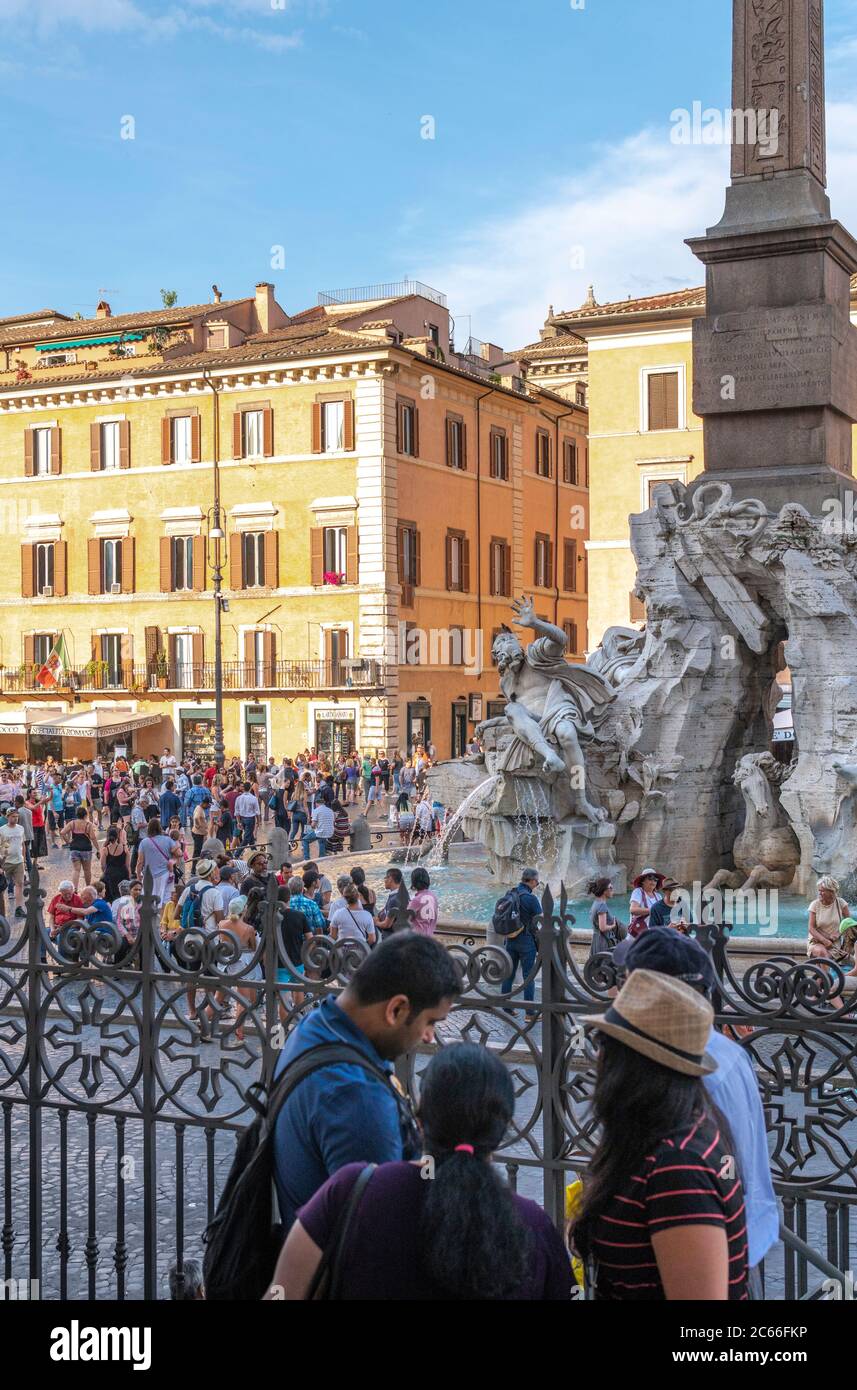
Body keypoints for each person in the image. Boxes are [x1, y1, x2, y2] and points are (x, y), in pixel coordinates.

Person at [268, 1043, 571, 1301]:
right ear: (503, 1129)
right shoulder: (534, 1229)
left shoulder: (351, 1192)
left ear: (420, 1119)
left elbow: (282, 1291)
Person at [572, 968, 749, 1301]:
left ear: (633, 1064)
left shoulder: (678, 1166)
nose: (597, 1056)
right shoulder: (660, 1141)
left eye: (605, 1044)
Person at [621, 928, 779, 1295]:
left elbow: (706, 1174)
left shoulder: (686, 1071)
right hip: (738, 1238)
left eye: (629, 981)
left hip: (710, 1247)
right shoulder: (729, 1053)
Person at [272, 931, 461, 1233]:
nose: (429, 1036)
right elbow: (376, 1240)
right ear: (396, 1009)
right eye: (430, 1022)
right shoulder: (358, 1097)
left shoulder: (316, 1025)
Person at [499, 868, 543, 1003]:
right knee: (528, 976)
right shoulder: (531, 898)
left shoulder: (510, 893)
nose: (537, 885)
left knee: (509, 975)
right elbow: (541, 920)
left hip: (510, 939)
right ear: (533, 881)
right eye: (537, 882)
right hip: (526, 940)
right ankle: (529, 1013)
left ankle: (506, 1007)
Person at [136, 817, 180, 908]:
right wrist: (172, 861)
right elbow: (179, 853)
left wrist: (138, 876)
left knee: (149, 900)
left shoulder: (144, 842)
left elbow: (140, 862)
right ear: (160, 828)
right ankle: (163, 919)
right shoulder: (167, 840)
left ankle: (151, 920)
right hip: (166, 874)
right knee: (166, 899)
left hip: (149, 875)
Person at [807, 876, 850, 964]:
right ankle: (825, 977)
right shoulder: (815, 904)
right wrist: (824, 940)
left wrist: (838, 933)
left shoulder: (841, 903)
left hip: (834, 945)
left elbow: (849, 924)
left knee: (823, 961)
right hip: (816, 942)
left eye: (822, 891)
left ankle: (822, 977)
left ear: (831, 891)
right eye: (819, 890)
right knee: (822, 953)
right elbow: (811, 928)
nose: (819, 893)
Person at [61, 805, 99, 892]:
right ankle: (88, 888)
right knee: (87, 870)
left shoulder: (72, 823)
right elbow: (93, 838)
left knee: (76, 870)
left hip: (74, 848)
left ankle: (75, 889)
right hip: (86, 848)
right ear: (85, 815)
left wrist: (68, 842)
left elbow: (62, 832)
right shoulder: (88, 825)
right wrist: (98, 848)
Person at [0, 808, 27, 917]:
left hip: (18, 861)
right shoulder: (2, 830)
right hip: (5, 861)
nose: (15, 818)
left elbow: (23, 845)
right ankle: (1, 911)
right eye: (13, 816)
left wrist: (24, 860)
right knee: (1, 887)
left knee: (19, 884)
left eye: (16, 816)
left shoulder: (21, 828)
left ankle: (19, 908)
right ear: (7, 817)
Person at [588, 876, 624, 955]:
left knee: (598, 965)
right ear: (604, 890)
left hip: (597, 939)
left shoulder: (596, 902)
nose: (612, 890)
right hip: (603, 941)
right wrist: (613, 925)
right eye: (610, 888)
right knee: (605, 964)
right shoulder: (602, 905)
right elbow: (603, 928)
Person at [629, 867, 665, 936]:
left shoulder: (658, 896)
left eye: (655, 880)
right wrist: (653, 910)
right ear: (643, 881)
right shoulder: (638, 892)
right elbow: (633, 909)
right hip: (639, 933)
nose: (653, 882)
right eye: (650, 879)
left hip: (654, 932)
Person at [407, 866, 438, 937]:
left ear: (414, 881)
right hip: (429, 937)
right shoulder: (433, 897)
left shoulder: (416, 900)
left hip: (417, 939)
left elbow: (406, 920)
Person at [376, 867, 405, 940]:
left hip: (391, 938)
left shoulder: (394, 899)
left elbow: (387, 924)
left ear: (390, 879)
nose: (384, 880)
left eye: (385, 877)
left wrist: (376, 922)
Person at [234, 782, 261, 848]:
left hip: (242, 818)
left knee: (250, 835)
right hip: (250, 819)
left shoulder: (238, 798)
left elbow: (237, 811)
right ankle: (237, 853)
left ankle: (253, 849)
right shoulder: (254, 798)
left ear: (243, 788)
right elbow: (257, 812)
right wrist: (258, 821)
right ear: (250, 788)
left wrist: (238, 822)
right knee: (246, 838)